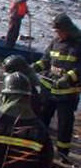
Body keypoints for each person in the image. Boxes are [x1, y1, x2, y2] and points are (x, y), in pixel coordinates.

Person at [32, 13, 81, 156]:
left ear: (67, 29)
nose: (58, 34)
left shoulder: (78, 44)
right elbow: (45, 60)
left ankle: (62, 153)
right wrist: (34, 67)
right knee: (42, 120)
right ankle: (39, 147)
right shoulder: (55, 42)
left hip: (67, 94)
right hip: (48, 89)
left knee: (64, 125)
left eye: (60, 31)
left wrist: (69, 78)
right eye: (56, 31)